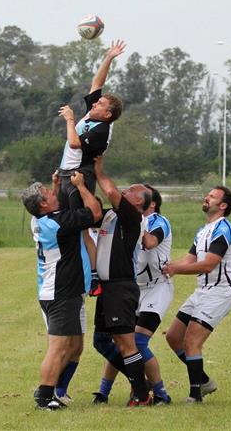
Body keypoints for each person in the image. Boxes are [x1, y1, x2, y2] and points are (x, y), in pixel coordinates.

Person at [22, 172, 102, 411]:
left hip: (59, 290)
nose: (51, 191)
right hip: (60, 293)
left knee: (75, 346)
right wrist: (80, 186)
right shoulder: (60, 222)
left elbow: (53, 206)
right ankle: (44, 397)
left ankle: (56, 390)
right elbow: (96, 212)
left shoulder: (40, 219)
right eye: (47, 192)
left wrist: (57, 186)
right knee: (58, 347)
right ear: (44, 204)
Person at [93, 186, 174, 405]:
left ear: (151, 203)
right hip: (133, 287)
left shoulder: (158, 221)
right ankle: (104, 392)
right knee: (120, 339)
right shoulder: (121, 217)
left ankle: (160, 393)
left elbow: (149, 243)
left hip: (155, 289)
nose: (126, 191)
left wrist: (134, 225)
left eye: (133, 191)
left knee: (136, 341)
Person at [163, 186, 231, 403]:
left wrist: (175, 270)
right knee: (173, 337)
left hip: (220, 292)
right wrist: (167, 266)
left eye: (212, 196)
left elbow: (208, 265)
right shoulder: (204, 230)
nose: (207, 197)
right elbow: (189, 260)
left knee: (192, 340)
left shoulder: (223, 229)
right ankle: (204, 380)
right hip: (202, 291)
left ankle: (196, 395)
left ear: (222, 206)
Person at [91, 156, 153, 407]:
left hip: (120, 286)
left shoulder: (131, 216)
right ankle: (140, 382)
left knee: (126, 344)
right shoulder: (110, 217)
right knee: (101, 340)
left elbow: (108, 189)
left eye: (131, 191)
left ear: (138, 201)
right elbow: (93, 210)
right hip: (107, 288)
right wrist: (81, 186)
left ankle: (141, 394)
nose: (125, 191)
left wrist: (98, 169)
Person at [57, 39, 125, 211]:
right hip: (66, 173)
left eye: (100, 104)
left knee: (78, 221)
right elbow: (97, 83)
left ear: (107, 114)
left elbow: (74, 144)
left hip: (80, 175)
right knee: (63, 220)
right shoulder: (94, 115)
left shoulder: (102, 130)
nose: (95, 104)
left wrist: (70, 119)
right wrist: (109, 57)